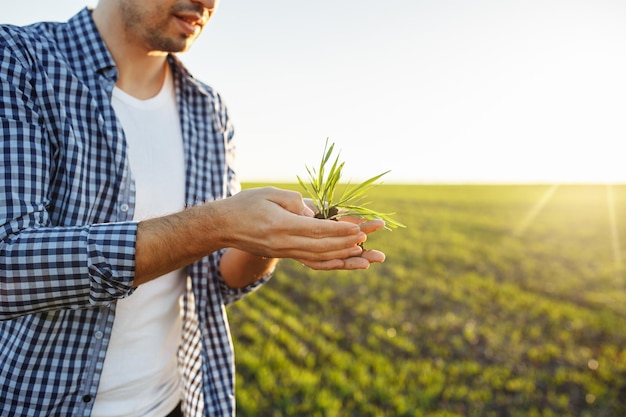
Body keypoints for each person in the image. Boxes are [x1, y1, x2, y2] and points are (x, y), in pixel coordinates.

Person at [0, 1, 386, 416]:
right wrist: (216, 224)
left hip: (176, 402)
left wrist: (272, 237)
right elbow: (8, 265)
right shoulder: (20, 61)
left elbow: (217, 278)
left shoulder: (209, 109)